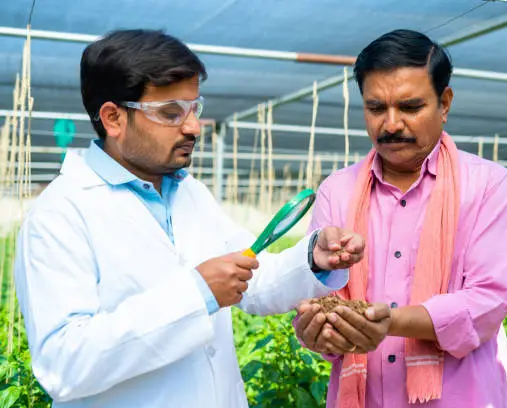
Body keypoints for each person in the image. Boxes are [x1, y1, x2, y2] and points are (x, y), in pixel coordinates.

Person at [13, 29, 366, 408]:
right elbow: (64, 364)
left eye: (194, 108)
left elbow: (252, 274)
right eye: (170, 113)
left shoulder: (189, 192)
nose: (194, 127)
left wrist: (312, 259)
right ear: (113, 118)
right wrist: (197, 294)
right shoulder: (60, 214)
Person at [294, 29, 507, 407]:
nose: (391, 124)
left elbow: (487, 301)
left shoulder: (489, 186)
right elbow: (320, 294)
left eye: (410, 107)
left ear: (444, 103)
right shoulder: (336, 190)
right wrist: (316, 329)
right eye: (376, 108)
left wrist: (390, 322)